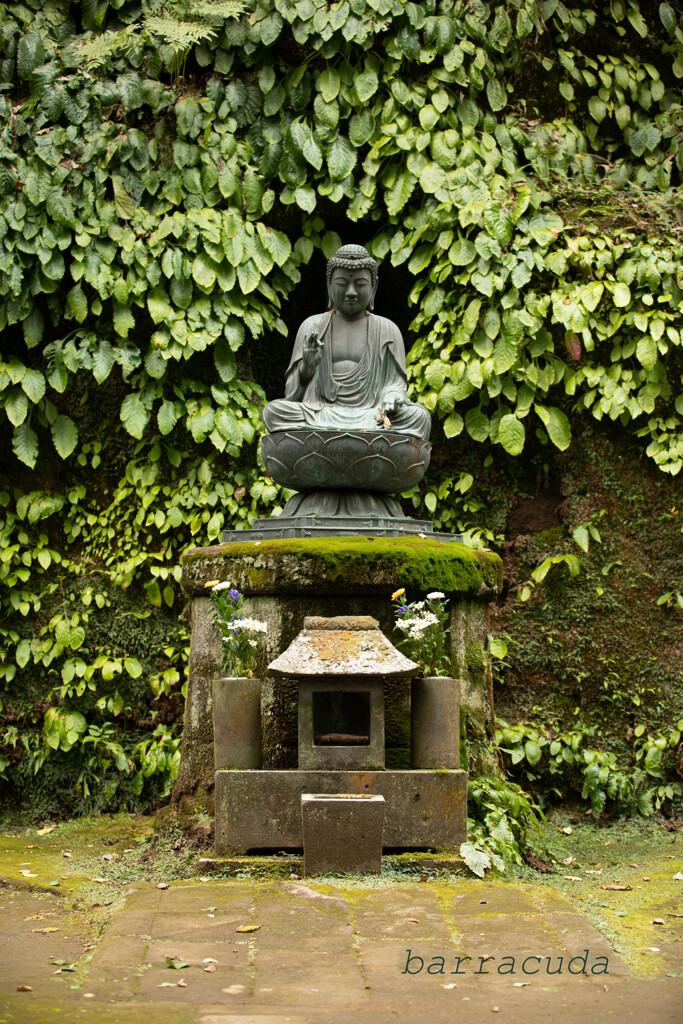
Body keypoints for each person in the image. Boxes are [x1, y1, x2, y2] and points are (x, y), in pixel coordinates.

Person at [261, 244, 431, 440]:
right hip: (321, 414)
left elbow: (395, 385)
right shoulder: (312, 326)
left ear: (373, 286)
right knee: (274, 412)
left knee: (418, 417)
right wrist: (307, 367)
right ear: (329, 284)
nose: (351, 292)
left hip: (371, 415)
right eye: (342, 283)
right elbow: (292, 393)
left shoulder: (387, 330)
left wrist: (392, 396)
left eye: (360, 284)